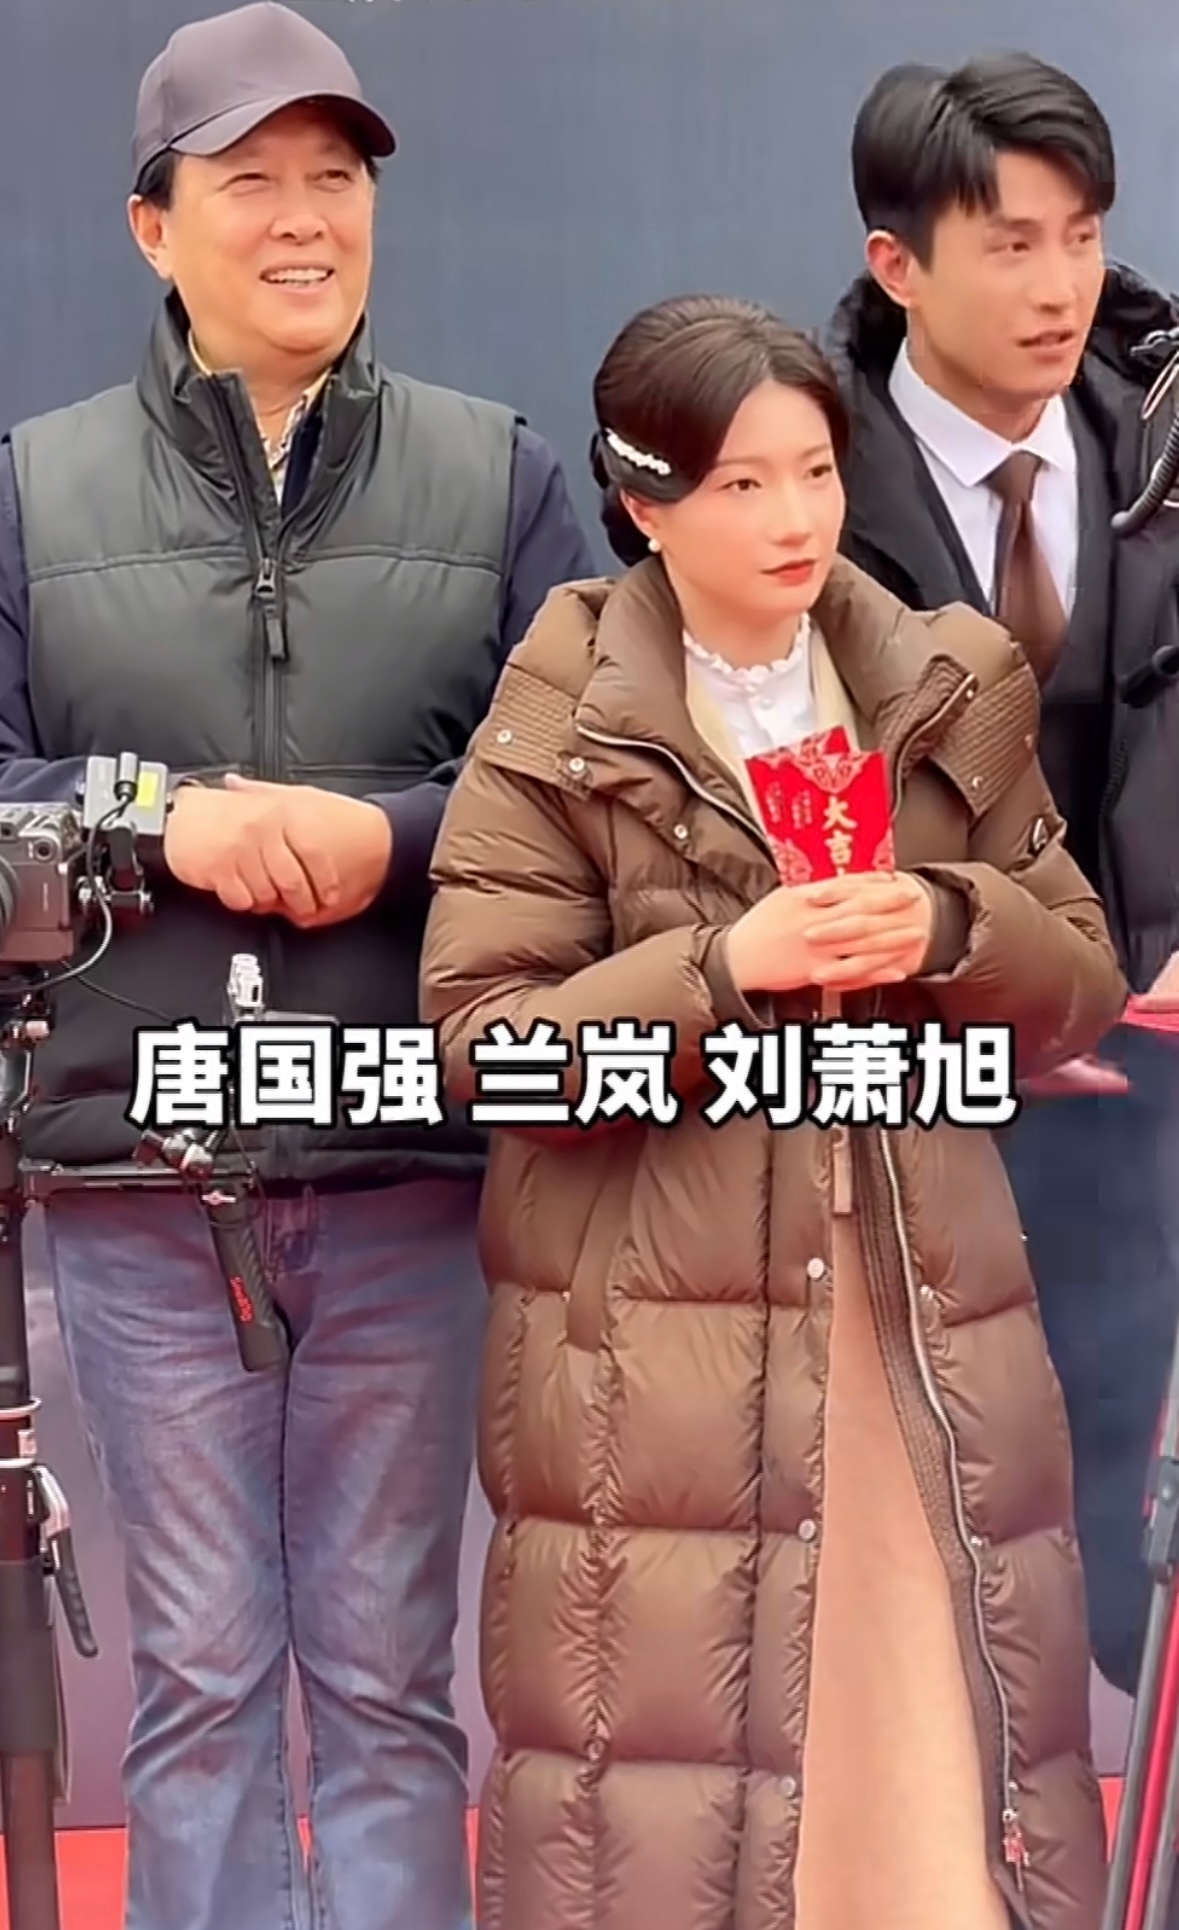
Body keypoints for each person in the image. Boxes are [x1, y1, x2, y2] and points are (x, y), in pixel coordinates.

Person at [419, 293, 1127, 1930]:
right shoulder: (566, 711)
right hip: (661, 1343)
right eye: (742, 484)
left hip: (918, 1311)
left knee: (935, 1749)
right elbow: (488, 1044)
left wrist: (947, 922)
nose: (795, 517)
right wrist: (724, 965)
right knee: (677, 1793)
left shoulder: (943, 679)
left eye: (815, 470)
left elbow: (1079, 974)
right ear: (643, 500)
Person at [0, 5, 594, 1928]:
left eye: (335, 177)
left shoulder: (499, 477)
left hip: (410, 1161)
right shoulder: (32, 490)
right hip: (138, 1179)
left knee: (392, 1687)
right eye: (250, 179)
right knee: (194, 1692)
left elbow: (583, 784)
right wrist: (152, 816)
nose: (303, 218)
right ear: (152, 226)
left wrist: (393, 840)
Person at [827, 46, 1179, 1795]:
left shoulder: (1167, 438)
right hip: (901, 1103)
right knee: (917, 1592)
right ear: (897, 263)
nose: (1062, 289)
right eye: (1011, 245)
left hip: (1159, 1103)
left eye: (1084, 239)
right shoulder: (787, 472)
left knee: (1136, 1568)